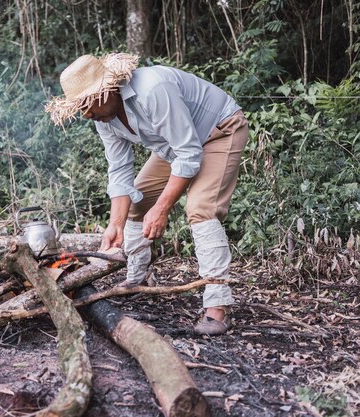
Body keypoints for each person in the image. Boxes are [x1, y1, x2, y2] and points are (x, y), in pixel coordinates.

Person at [46, 53, 249, 336]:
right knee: (137, 202)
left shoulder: (153, 89)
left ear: (107, 90)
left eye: (87, 104)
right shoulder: (102, 117)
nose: (86, 114)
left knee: (200, 208)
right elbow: (119, 171)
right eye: (80, 107)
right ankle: (137, 278)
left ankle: (218, 306)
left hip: (219, 132)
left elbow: (189, 153)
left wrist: (164, 207)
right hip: (175, 145)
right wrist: (114, 224)